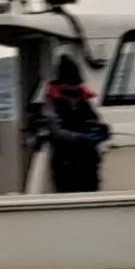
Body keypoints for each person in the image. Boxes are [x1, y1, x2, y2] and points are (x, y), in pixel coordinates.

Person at [44, 56, 110, 192]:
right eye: (71, 82)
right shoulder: (50, 104)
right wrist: (82, 137)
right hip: (65, 163)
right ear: (60, 83)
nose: (75, 86)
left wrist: (102, 130)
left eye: (76, 82)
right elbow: (57, 131)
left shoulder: (84, 101)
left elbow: (95, 120)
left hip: (89, 161)